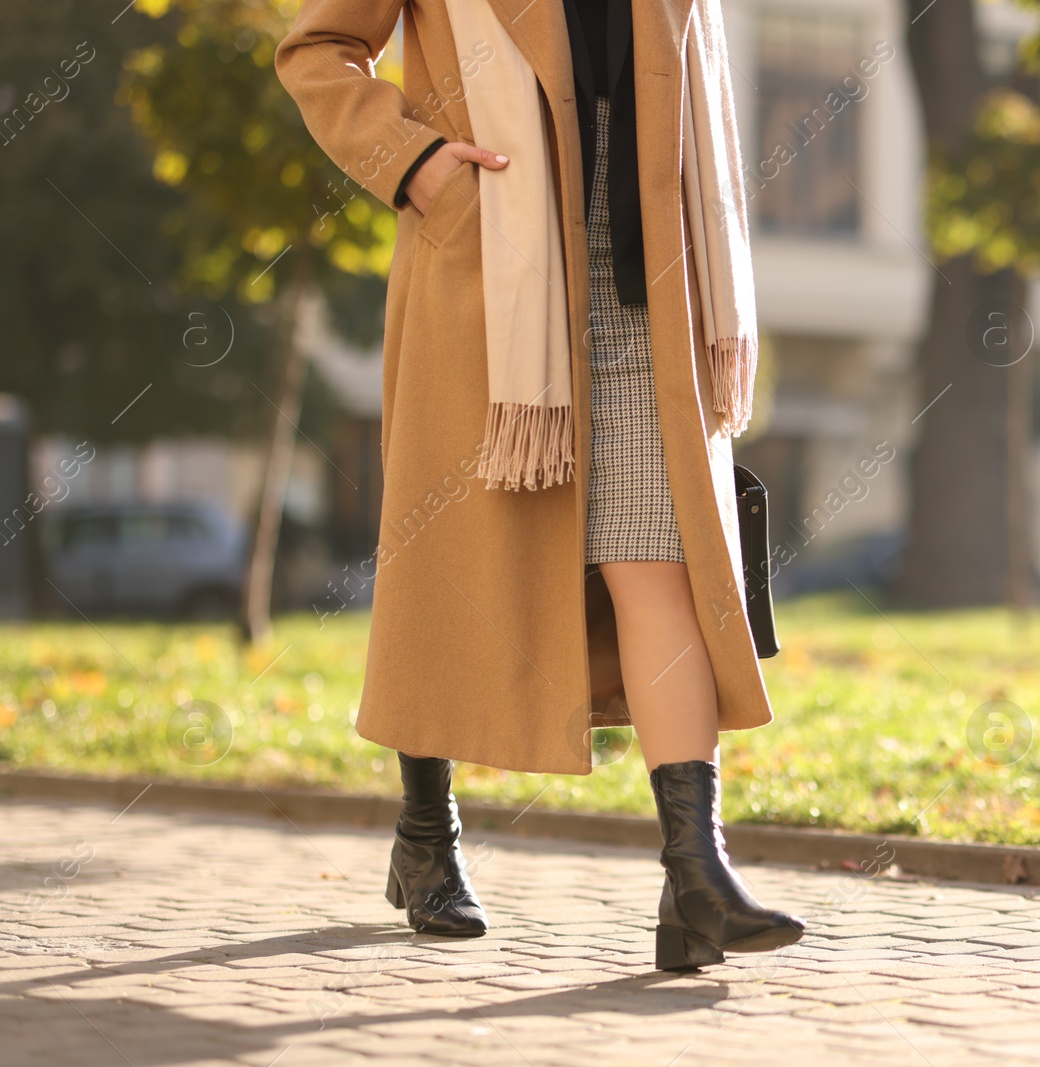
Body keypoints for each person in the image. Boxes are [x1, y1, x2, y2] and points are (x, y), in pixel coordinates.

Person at [276, 0, 803, 971]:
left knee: (661, 564)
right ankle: (425, 833)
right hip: (491, 277)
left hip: (650, 284)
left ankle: (698, 874)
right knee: (449, 564)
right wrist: (414, 161)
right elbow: (317, 50)